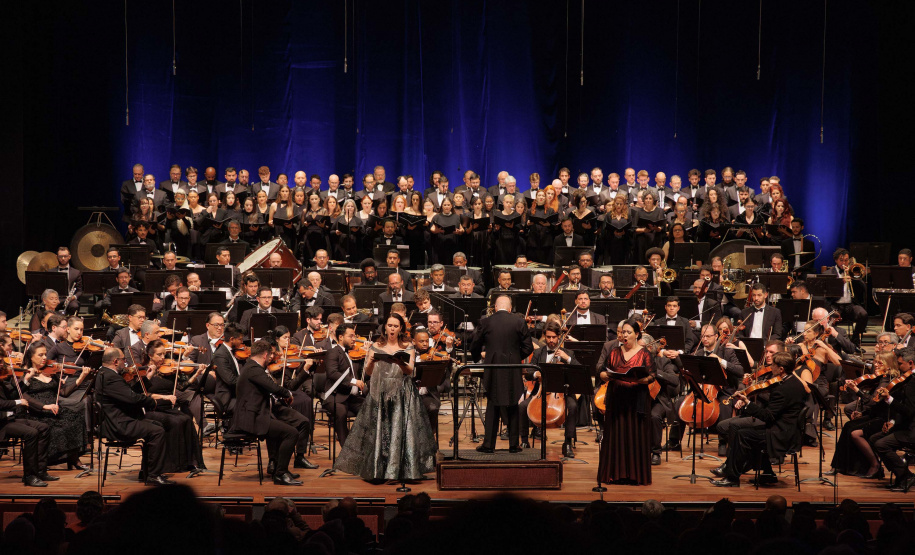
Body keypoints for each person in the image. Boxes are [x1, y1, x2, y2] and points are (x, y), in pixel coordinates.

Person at [334, 313, 436, 482]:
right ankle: (380, 469)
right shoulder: (376, 345)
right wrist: (372, 361)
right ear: (385, 327)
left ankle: (403, 470)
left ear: (401, 328)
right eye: (389, 325)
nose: (392, 329)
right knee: (382, 431)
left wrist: (398, 362)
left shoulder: (407, 345)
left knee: (400, 430)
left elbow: (410, 371)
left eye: (395, 326)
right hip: (381, 391)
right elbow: (367, 372)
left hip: (402, 391)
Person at [711, 351, 809, 487]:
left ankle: (732, 477)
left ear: (781, 369)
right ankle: (767, 473)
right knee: (745, 431)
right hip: (790, 430)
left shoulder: (782, 389)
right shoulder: (795, 383)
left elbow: (768, 416)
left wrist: (748, 403)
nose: (771, 367)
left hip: (779, 434)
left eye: (773, 365)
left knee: (742, 435)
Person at [94, 348, 175, 485]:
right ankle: (153, 476)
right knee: (157, 431)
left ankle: (147, 471)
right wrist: (155, 402)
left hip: (120, 419)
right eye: (123, 360)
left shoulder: (105, 374)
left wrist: (146, 379)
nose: (125, 363)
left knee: (158, 426)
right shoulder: (110, 377)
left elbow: (129, 393)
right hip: (119, 424)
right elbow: (133, 399)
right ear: (115, 361)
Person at [231, 339, 302, 485]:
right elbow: (273, 387)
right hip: (251, 419)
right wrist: (288, 393)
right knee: (291, 433)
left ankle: (279, 468)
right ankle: (280, 474)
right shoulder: (253, 370)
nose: (271, 358)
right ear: (265, 355)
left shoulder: (251, 367)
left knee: (282, 428)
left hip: (255, 415)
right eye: (270, 355)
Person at [469, 295, 533, 453]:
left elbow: (474, 345)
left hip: (493, 368)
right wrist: (517, 358)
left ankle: (488, 445)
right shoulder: (519, 321)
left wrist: (478, 358)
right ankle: (513, 445)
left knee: (493, 403)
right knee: (513, 403)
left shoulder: (486, 322)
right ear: (510, 308)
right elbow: (528, 347)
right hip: (513, 368)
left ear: (495, 308)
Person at [596, 318, 654, 485]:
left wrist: (641, 380)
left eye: (629, 332)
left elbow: (652, 376)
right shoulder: (614, 352)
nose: (625, 335)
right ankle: (615, 473)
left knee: (634, 435)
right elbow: (602, 371)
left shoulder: (644, 354)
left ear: (637, 334)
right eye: (623, 332)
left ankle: (634, 475)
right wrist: (604, 375)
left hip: (636, 401)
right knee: (616, 435)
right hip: (617, 399)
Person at [20, 342, 91, 469]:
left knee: (76, 418)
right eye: (40, 355)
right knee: (56, 427)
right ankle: (49, 461)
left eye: (45, 354)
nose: (44, 358)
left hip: (54, 409)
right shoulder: (26, 373)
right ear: (31, 357)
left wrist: (81, 378)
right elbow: (24, 396)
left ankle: (73, 458)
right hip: (37, 412)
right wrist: (44, 406)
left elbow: (63, 392)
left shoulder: (51, 370)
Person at [829, 351, 898, 478]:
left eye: (879, 363)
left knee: (852, 430)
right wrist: (862, 413)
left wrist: (857, 390)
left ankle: (874, 465)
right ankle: (841, 466)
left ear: (888, 365)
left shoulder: (887, 381)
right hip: (874, 415)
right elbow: (873, 406)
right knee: (848, 425)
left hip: (882, 419)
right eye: (875, 362)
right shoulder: (880, 379)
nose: (875, 365)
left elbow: (872, 402)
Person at [0, 335, 56, 487]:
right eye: (0, 362)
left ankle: (40, 470)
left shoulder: (2, 379)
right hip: (2, 422)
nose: (3, 365)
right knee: (31, 433)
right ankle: (29, 476)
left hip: (10, 419)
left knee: (44, 427)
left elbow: (12, 395)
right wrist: (18, 402)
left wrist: (26, 380)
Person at [520, 321, 580, 457]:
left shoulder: (568, 352)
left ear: (559, 337)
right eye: (548, 337)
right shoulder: (538, 353)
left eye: (553, 337)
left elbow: (578, 370)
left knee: (573, 406)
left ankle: (568, 443)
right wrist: (536, 373)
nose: (551, 340)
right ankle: (524, 441)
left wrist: (568, 359)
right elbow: (529, 372)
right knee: (522, 407)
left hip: (562, 392)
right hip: (541, 392)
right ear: (544, 336)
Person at [323, 323, 366, 447]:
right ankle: (346, 450)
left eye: (354, 336)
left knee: (369, 409)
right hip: (335, 396)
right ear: (341, 337)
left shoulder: (354, 353)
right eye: (351, 336)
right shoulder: (333, 352)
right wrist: (353, 381)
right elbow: (332, 373)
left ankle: (357, 442)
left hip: (351, 397)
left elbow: (363, 373)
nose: (354, 339)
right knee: (341, 413)